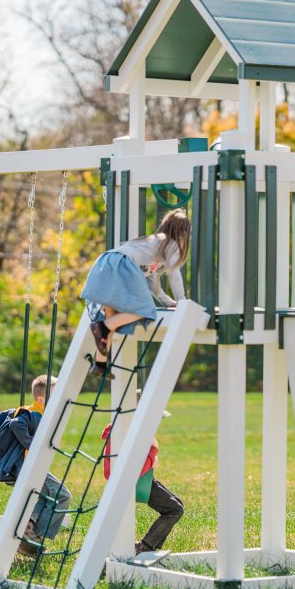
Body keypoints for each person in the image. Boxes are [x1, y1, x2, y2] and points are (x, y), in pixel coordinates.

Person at [81, 208, 191, 379]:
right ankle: (101, 327)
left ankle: (100, 364)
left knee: (112, 319)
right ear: (182, 233)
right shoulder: (172, 243)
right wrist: (182, 302)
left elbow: (153, 284)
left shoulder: (153, 244)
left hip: (105, 263)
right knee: (144, 309)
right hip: (120, 265)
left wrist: (168, 302)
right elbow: (174, 275)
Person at [0, 374, 71, 557]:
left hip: (29, 466)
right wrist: (33, 445)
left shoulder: (42, 414)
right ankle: (32, 533)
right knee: (62, 496)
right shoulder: (32, 412)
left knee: (47, 498)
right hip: (25, 467)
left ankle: (30, 536)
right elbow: (16, 424)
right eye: (55, 394)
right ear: (41, 398)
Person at [101, 410, 184, 554]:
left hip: (143, 480)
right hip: (133, 484)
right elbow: (131, 472)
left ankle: (148, 546)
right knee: (174, 509)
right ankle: (145, 547)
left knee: (177, 504)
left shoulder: (127, 429)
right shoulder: (120, 434)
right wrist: (153, 452)